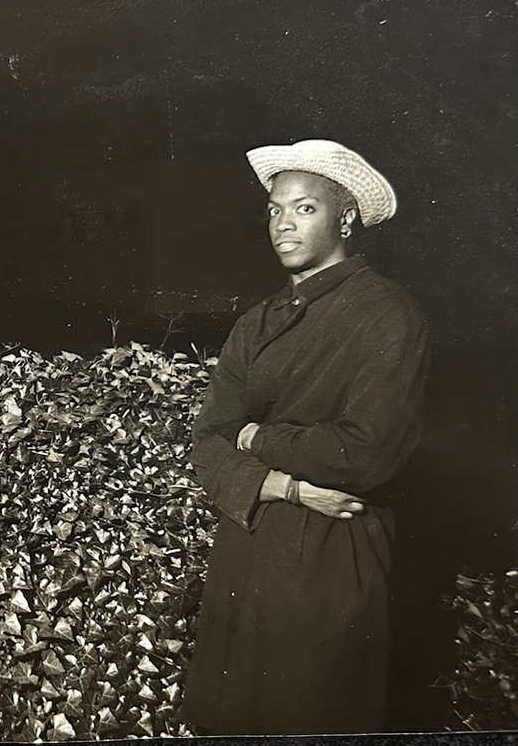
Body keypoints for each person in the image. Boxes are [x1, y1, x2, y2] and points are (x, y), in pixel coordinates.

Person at [183, 140, 429, 735]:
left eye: (304, 208)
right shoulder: (257, 321)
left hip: (330, 552)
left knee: (311, 714)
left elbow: (366, 451)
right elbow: (207, 441)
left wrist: (255, 439)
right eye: (274, 209)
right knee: (229, 718)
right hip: (247, 543)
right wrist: (283, 486)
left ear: (345, 219)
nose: (283, 223)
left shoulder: (387, 314)